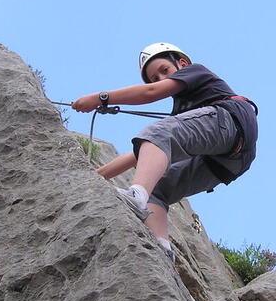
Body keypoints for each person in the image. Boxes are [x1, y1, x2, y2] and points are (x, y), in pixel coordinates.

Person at [72, 43, 258, 262]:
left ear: (182, 64)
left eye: (164, 70)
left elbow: (151, 95)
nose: (159, 79)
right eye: (154, 78)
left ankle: (135, 195)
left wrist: (101, 98)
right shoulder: (182, 113)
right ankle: (162, 250)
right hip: (228, 161)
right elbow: (141, 153)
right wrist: (96, 177)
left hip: (229, 121)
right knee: (157, 190)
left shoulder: (196, 71)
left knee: (159, 133)